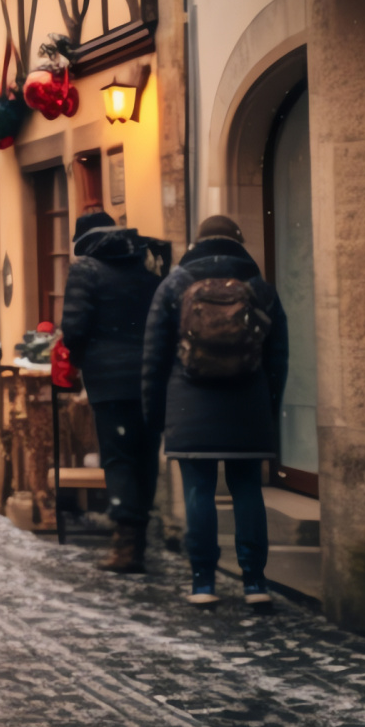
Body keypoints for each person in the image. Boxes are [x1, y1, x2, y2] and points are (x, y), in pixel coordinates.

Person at [142, 214, 289, 607]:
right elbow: (278, 357)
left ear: (197, 244)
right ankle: (254, 583)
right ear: (239, 243)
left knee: (198, 492)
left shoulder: (173, 286)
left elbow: (154, 358)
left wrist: (155, 416)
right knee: (247, 491)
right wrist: (268, 404)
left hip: (190, 406)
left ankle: (203, 581)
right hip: (248, 405)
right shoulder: (260, 289)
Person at [59, 211, 162, 572]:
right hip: (149, 380)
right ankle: (140, 536)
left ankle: (126, 544)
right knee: (145, 457)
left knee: (118, 459)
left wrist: (82, 356)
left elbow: (73, 327)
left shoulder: (86, 271)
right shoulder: (146, 271)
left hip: (110, 383)